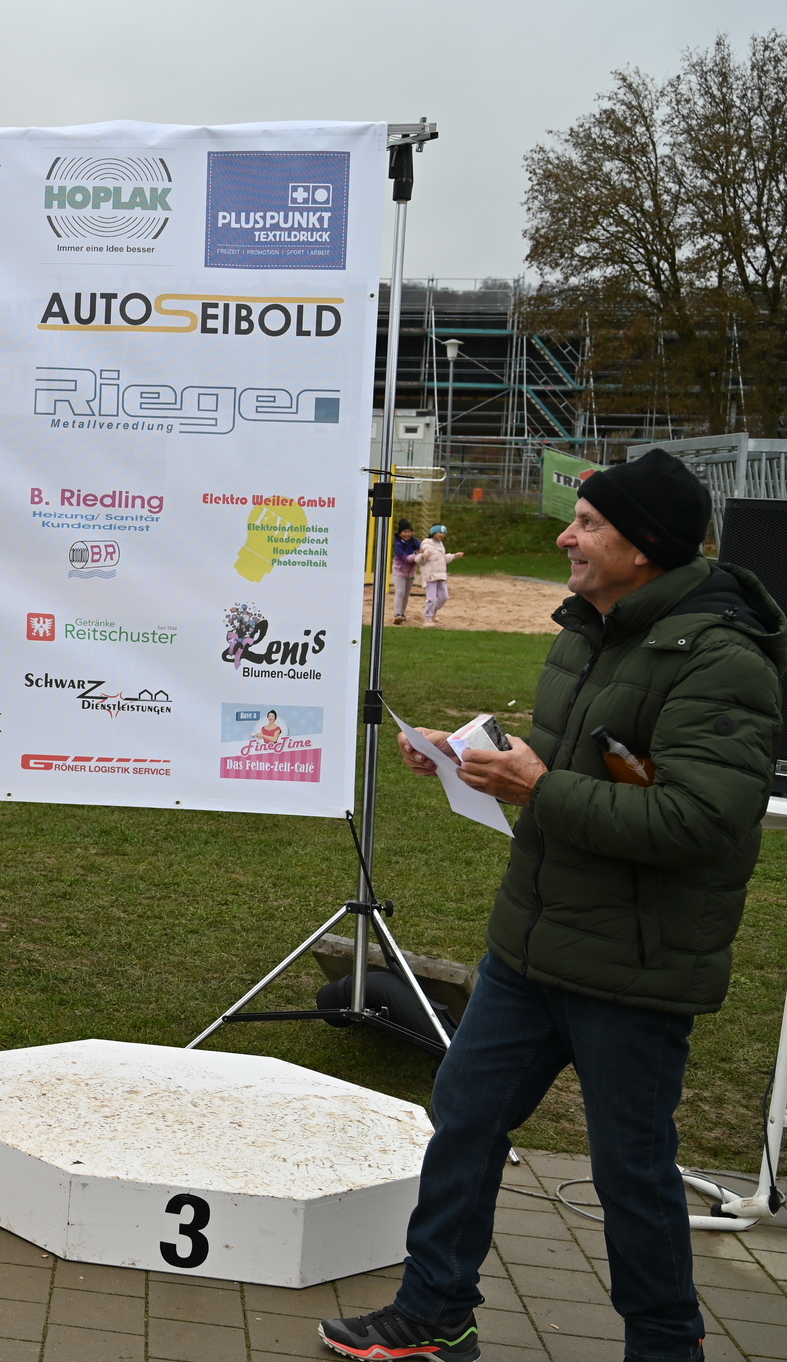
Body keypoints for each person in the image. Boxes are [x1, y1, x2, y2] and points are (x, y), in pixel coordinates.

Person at [322, 449, 785, 1362]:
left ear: (643, 547)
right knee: (464, 1119)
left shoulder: (722, 660)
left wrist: (537, 787)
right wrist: (471, 757)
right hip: (530, 945)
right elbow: (582, 757)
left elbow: (699, 820)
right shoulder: (588, 630)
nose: (567, 538)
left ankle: (667, 1349)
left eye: (588, 525)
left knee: (630, 1172)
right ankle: (434, 1313)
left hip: (633, 964)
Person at [416, 523, 463, 627]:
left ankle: (434, 610)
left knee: (444, 597)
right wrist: (422, 556)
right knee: (431, 598)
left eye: (444, 533)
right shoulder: (426, 545)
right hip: (430, 576)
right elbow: (418, 560)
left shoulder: (440, 545)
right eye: (440, 532)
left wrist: (454, 556)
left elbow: (443, 559)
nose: (442, 534)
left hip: (441, 576)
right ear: (433, 533)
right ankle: (428, 618)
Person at [391, 519, 418, 624]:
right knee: (400, 592)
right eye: (404, 532)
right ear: (400, 533)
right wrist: (417, 554)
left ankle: (402, 614)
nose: (407, 534)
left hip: (410, 572)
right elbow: (406, 559)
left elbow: (423, 549)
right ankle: (397, 614)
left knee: (406, 594)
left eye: (409, 531)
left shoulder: (415, 541)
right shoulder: (398, 545)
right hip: (399, 571)